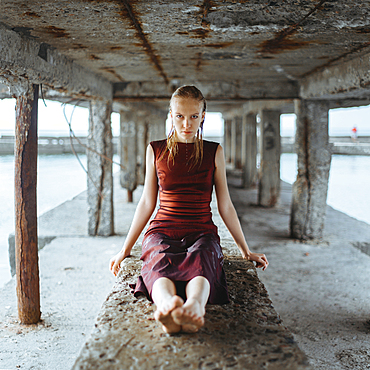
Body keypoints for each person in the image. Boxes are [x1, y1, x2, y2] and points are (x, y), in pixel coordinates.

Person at [109, 85, 268, 334]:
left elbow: (225, 204)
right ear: (171, 114)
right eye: (180, 116)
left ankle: (194, 306)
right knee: (159, 257)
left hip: (201, 229)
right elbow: (147, 203)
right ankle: (166, 306)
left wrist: (245, 250)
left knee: (204, 256)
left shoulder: (214, 152)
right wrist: (125, 249)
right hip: (162, 228)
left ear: (203, 116)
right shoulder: (156, 149)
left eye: (194, 116)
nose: (186, 124)